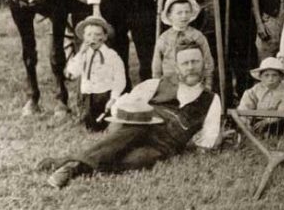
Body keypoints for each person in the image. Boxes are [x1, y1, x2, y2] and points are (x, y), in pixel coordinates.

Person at [42, 47, 221, 189]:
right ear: (177, 67)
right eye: (185, 63)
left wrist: (207, 143)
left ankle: (67, 162)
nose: (190, 67)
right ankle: (70, 169)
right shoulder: (157, 84)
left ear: (204, 64)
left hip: (163, 146)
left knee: (135, 161)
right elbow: (125, 103)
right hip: (139, 128)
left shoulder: (211, 99)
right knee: (125, 137)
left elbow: (208, 139)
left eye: (195, 62)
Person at [65, 16, 125, 132]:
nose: (93, 38)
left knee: (104, 122)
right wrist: (80, 54)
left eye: (97, 35)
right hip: (87, 95)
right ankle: (87, 121)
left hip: (104, 95)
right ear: (83, 38)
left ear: (104, 37)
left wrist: (114, 97)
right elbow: (72, 72)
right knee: (88, 124)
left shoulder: (111, 56)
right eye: (89, 35)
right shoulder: (83, 55)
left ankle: (104, 124)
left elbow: (119, 78)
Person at [151, 0, 214, 90]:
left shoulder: (197, 36)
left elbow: (208, 62)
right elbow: (156, 68)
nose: (184, 16)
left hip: (194, 84)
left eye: (187, 12)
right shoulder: (163, 39)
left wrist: (208, 85)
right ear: (170, 15)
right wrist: (157, 87)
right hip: (170, 86)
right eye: (179, 13)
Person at [237, 57, 284, 130]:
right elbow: (245, 107)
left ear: (281, 77)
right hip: (256, 120)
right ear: (260, 77)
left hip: (275, 122)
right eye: (266, 75)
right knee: (241, 121)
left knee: (282, 124)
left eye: (274, 75)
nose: (270, 79)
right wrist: (246, 122)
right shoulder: (253, 91)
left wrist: (267, 121)